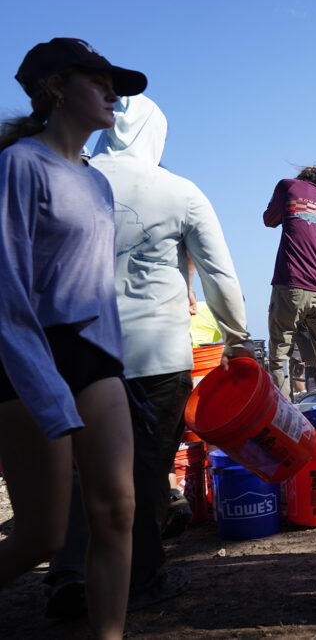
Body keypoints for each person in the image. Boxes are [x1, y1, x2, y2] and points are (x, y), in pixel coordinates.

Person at [43, 93, 257, 619]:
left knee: (79, 468)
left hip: (81, 350)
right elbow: (220, 278)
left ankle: (68, 578)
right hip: (159, 356)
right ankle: (142, 577)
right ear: (155, 134)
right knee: (146, 469)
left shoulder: (71, 177)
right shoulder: (180, 192)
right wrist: (236, 339)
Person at [0, 37, 146, 640]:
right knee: (43, 535)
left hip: (95, 356)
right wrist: (46, 386)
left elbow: (93, 285)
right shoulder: (20, 164)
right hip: (29, 353)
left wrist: (115, 366)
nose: (114, 93)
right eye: (98, 81)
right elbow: (6, 290)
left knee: (118, 513)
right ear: (56, 87)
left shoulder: (99, 184)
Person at [264, 166, 316, 401]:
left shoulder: (288, 185)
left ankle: (284, 418)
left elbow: (268, 219)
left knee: (280, 354)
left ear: (304, 177)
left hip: (291, 284)